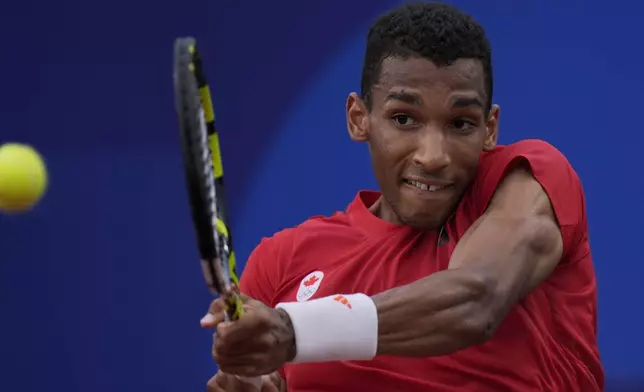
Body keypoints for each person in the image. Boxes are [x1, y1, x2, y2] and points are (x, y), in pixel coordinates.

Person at [201, 2, 604, 391]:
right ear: (359, 118)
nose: (433, 156)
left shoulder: (531, 178)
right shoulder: (282, 263)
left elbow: (476, 300)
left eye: (461, 123)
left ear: (490, 128)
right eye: (404, 119)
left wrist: (293, 330)